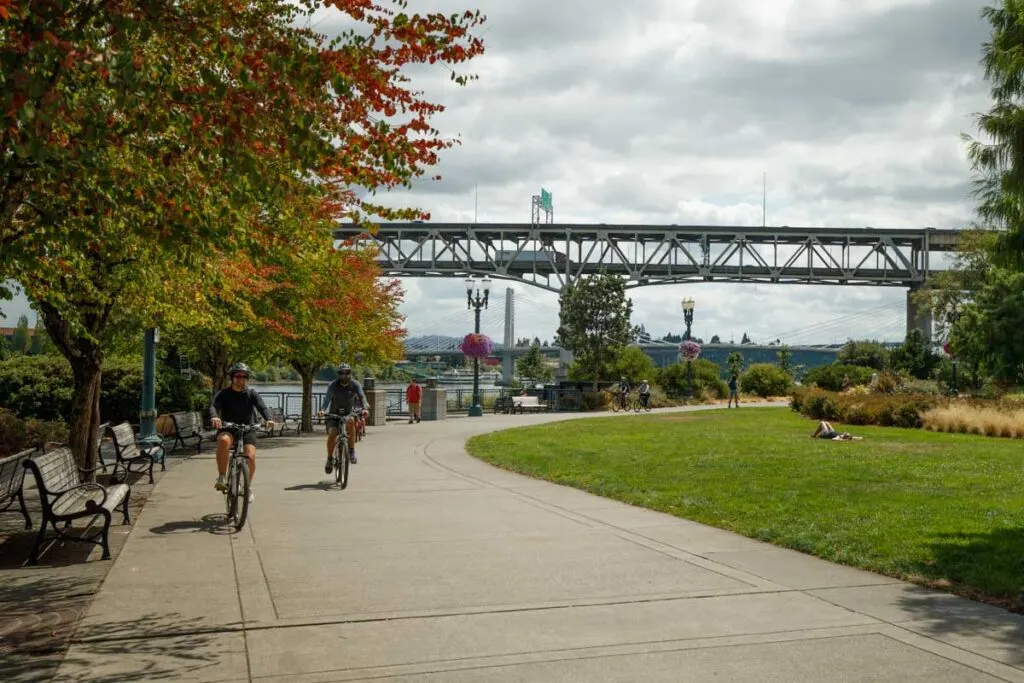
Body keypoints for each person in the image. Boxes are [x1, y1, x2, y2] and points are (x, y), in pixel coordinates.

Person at [210, 362, 274, 501]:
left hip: (248, 429)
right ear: (232, 378)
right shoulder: (223, 394)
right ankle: (221, 476)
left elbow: (262, 407)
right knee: (223, 441)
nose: (242, 379)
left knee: (250, 456)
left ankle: (247, 487)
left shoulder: (252, 394)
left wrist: (268, 418)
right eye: (238, 376)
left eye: (245, 376)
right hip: (229, 427)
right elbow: (214, 406)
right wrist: (214, 416)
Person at [319, 363, 369, 471]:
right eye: (341, 373)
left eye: (347, 373)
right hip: (334, 414)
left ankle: (351, 450)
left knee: (351, 421)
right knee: (333, 433)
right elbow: (327, 399)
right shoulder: (333, 385)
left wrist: (365, 408)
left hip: (347, 413)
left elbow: (362, 396)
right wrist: (322, 410)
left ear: (350, 374)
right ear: (338, 374)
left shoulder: (355, 384)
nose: (344, 376)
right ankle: (330, 458)